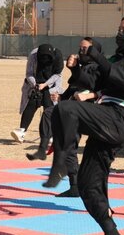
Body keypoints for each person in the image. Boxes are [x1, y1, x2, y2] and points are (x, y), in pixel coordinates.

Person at [45, 15, 124, 235]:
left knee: (66, 108)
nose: (120, 33)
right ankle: (111, 232)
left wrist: (99, 58)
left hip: (119, 120)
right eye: (119, 29)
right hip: (103, 120)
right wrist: (75, 70)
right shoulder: (117, 59)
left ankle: (61, 154)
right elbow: (92, 81)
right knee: (87, 184)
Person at [28, 37, 103, 198]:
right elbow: (72, 88)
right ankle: (74, 185)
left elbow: (108, 89)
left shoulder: (101, 69)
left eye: (85, 49)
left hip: (94, 113)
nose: (81, 52)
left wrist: (90, 95)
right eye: (80, 48)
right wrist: (61, 98)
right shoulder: (81, 69)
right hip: (75, 112)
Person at [11, 44, 63, 143]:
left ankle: (51, 135)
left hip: (51, 85)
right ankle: (21, 131)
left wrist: (45, 85)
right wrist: (35, 84)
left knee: (49, 109)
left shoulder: (58, 56)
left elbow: (57, 74)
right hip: (35, 84)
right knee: (30, 105)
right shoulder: (33, 55)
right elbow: (29, 73)